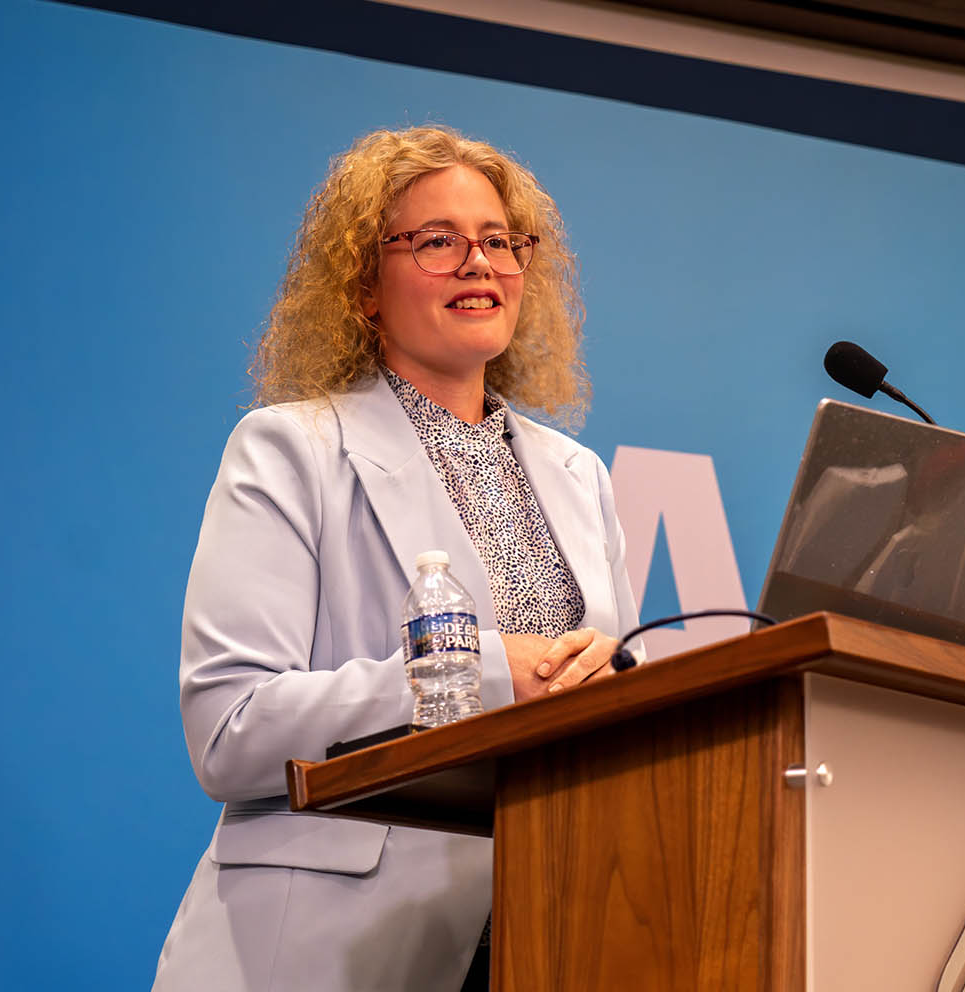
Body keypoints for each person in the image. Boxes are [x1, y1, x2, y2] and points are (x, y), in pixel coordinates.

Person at [152, 125, 643, 991]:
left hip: (550, 929)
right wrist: (486, 675)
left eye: (499, 241)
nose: (478, 263)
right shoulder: (289, 450)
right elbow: (230, 732)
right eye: (436, 242)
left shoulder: (580, 477)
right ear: (364, 287)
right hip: (334, 943)